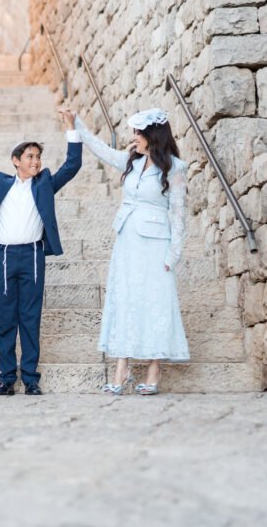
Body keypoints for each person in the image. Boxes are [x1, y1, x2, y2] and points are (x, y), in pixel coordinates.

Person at [0, 110, 81, 395]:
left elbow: (71, 166)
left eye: (38, 157)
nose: (35, 161)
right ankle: (6, 377)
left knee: (30, 318)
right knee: (6, 318)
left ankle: (31, 378)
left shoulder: (44, 184)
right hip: (3, 256)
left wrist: (71, 127)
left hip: (32, 256)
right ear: (15, 161)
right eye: (29, 157)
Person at [73, 108, 189, 396]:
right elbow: (100, 149)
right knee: (125, 299)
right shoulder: (131, 162)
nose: (134, 138)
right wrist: (75, 123)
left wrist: (173, 254)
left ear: (153, 135)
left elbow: (178, 213)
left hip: (156, 242)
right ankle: (121, 368)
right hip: (127, 241)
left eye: (139, 133)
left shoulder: (175, 167)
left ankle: (153, 371)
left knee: (155, 303)